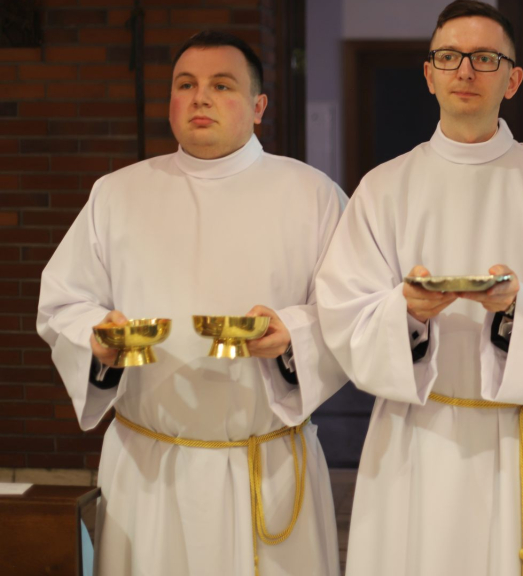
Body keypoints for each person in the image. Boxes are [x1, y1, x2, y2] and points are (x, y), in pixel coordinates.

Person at [37, 31, 349, 576]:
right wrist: (98, 337)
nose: (200, 97)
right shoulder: (117, 193)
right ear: (171, 103)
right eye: (185, 85)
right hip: (150, 468)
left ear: (259, 106)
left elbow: (350, 309)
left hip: (267, 465)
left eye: (221, 85)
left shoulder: (312, 194)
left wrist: (292, 334)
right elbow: (63, 302)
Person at [315, 0, 523, 576]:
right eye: (449, 57)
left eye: (485, 58)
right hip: (415, 433)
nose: (466, 70)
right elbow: (343, 314)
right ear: (429, 74)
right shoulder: (384, 187)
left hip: (521, 432)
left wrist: (518, 308)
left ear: (512, 80)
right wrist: (408, 313)